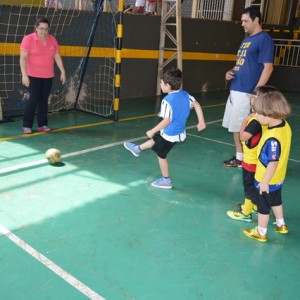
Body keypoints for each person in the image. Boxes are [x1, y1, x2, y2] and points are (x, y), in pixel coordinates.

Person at [123, 68, 206, 189]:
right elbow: (197, 104)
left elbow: (167, 120)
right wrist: (201, 122)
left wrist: (152, 130)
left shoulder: (167, 100)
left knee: (161, 155)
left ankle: (166, 181)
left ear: (167, 85)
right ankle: (138, 149)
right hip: (175, 131)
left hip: (170, 134)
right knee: (156, 140)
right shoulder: (185, 94)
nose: (160, 85)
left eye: (161, 83)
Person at [222, 6, 274, 167]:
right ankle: (240, 157)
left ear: (256, 20)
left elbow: (268, 67)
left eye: (245, 21)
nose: (242, 24)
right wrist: (230, 72)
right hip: (235, 89)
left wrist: (256, 91)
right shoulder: (246, 40)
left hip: (247, 92)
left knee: (243, 127)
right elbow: (242, 64)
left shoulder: (264, 39)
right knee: (235, 127)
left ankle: (248, 159)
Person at [243, 90, 292, 242]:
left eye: (258, 113)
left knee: (263, 206)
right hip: (279, 177)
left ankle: (261, 232)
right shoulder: (285, 126)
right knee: (276, 200)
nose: (256, 116)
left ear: (270, 114)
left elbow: (273, 161)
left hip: (267, 179)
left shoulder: (272, 138)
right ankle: (281, 224)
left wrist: (264, 182)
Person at [227, 85, 278, 223]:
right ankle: (255, 206)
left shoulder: (254, 121)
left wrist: (245, 120)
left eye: (255, 97)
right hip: (259, 160)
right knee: (255, 185)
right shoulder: (267, 119)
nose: (251, 98)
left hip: (251, 161)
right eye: (252, 96)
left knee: (249, 186)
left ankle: (246, 213)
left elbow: (242, 136)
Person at [20, 17, 66, 134]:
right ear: (36, 28)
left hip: (48, 76)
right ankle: (27, 125)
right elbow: (23, 58)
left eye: (46, 29)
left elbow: (56, 56)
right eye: (41, 29)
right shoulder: (28, 39)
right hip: (32, 76)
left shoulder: (52, 40)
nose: (44, 32)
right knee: (33, 99)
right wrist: (24, 75)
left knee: (43, 100)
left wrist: (63, 71)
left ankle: (43, 124)